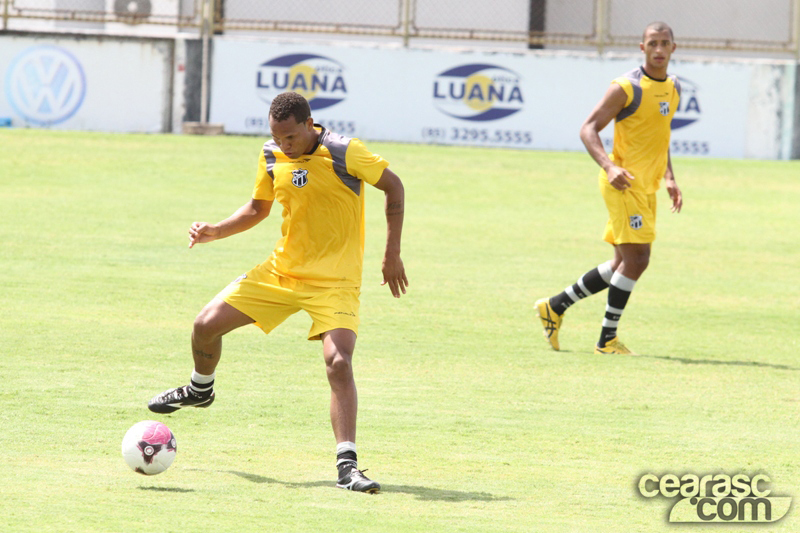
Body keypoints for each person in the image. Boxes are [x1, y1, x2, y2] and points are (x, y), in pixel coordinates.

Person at [148, 91, 407, 494]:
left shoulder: (344, 152)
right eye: (277, 137)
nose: (283, 145)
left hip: (334, 282)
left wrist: (392, 254)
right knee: (204, 325)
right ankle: (201, 389)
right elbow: (257, 208)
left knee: (338, 363)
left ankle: (347, 466)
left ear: (309, 124)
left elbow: (394, 187)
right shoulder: (271, 155)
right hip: (281, 273)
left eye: (290, 137)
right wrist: (216, 230)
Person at [535, 21, 683, 355]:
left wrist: (670, 177)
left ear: (674, 48)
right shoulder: (626, 88)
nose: (658, 50)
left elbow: (661, 137)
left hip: (647, 186)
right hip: (622, 183)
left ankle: (555, 306)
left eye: (664, 43)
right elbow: (588, 129)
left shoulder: (673, 87)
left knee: (621, 261)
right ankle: (607, 339)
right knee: (638, 259)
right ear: (641, 47)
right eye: (652, 43)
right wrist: (609, 165)